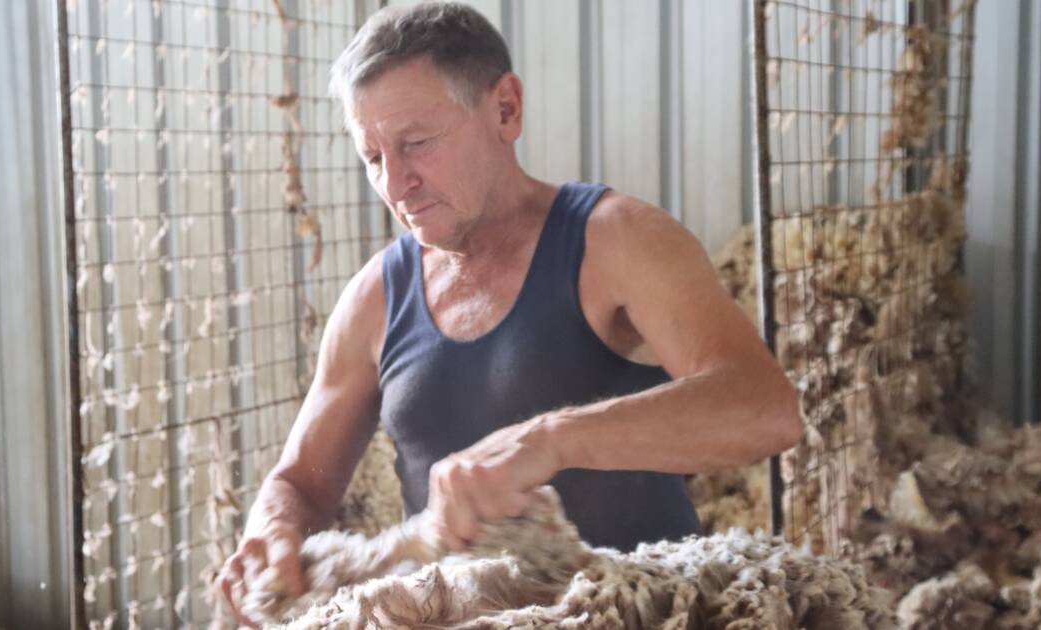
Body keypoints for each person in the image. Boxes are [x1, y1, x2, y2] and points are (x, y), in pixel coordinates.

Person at [217, 1, 800, 621]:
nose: (395, 182)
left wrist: (550, 440)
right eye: (374, 157)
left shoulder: (615, 239)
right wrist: (270, 531)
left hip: (634, 611)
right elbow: (299, 484)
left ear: (505, 109)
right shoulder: (375, 298)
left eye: (416, 143)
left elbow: (766, 408)